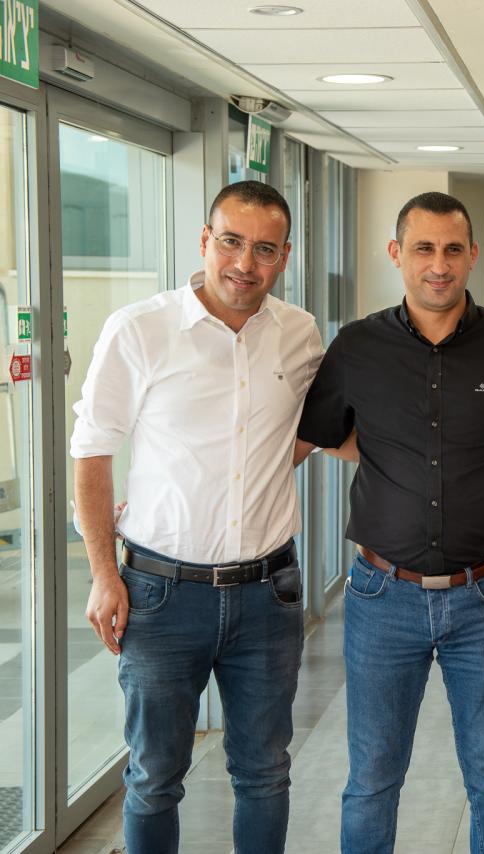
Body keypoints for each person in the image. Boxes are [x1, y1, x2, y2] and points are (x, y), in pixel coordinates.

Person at [296, 191, 484, 854]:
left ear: (472, 255)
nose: (438, 265)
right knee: (372, 781)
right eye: (423, 249)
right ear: (396, 254)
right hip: (382, 596)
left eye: (451, 250)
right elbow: (322, 434)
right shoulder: (356, 347)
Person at [72, 180, 324, 853]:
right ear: (205, 241)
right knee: (155, 776)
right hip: (160, 596)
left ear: (285, 256)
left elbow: (302, 433)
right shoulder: (140, 329)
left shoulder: (299, 335)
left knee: (265, 772)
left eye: (265, 249)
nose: (245, 263)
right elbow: (92, 453)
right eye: (232, 242)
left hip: (268, 595)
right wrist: (104, 574)